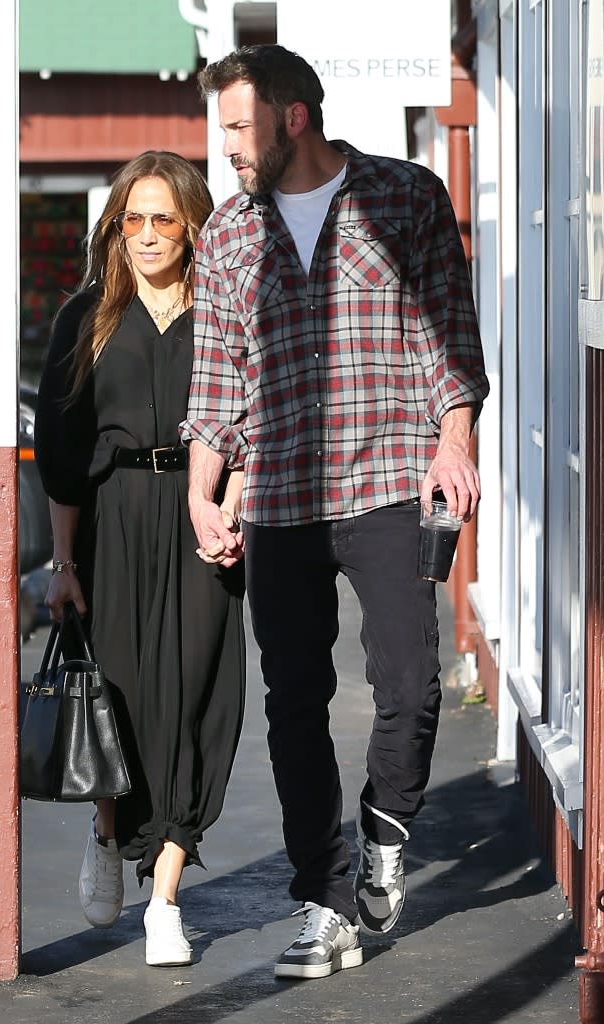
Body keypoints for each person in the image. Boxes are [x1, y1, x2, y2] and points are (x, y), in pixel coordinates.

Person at [179, 45, 490, 980]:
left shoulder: (406, 198)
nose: (227, 145)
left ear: (293, 117)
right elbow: (216, 381)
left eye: (238, 126)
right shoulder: (228, 234)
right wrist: (201, 491)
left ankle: (385, 837)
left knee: (409, 685)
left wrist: (454, 439)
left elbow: (449, 336)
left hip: (389, 481)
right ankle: (324, 898)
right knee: (295, 706)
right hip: (278, 500)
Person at [34, 150, 246, 968]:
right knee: (117, 699)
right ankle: (107, 825)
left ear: (192, 226)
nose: (148, 234)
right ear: (114, 227)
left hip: (201, 518)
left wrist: (229, 510)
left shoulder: (225, 314)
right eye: (134, 218)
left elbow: (256, 417)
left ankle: (165, 898)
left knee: (196, 697)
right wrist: (62, 561)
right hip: (112, 519)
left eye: (164, 218)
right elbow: (61, 451)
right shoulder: (84, 317)